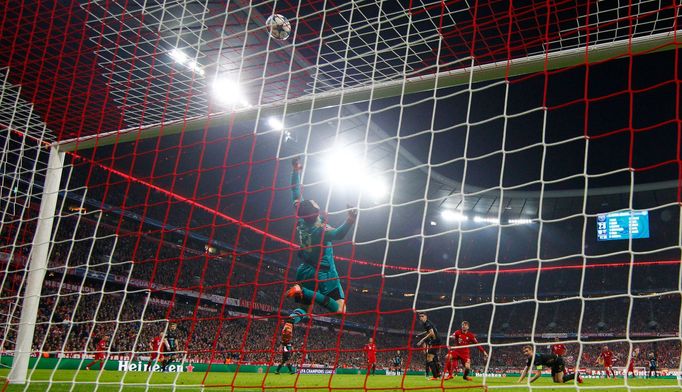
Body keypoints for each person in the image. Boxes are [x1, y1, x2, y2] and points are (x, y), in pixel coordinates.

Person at [286, 158, 357, 323]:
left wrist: (295, 171)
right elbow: (339, 234)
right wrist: (350, 220)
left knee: (303, 309)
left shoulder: (301, 219)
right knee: (341, 309)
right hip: (324, 273)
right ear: (315, 212)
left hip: (304, 270)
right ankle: (303, 291)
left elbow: (295, 191)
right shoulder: (320, 230)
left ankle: (290, 322)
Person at [416, 312, 442, 380]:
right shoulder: (427, 323)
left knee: (429, 358)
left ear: (426, 317)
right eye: (420, 316)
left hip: (435, 341)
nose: (421, 318)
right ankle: (438, 374)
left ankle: (435, 376)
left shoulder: (427, 324)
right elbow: (428, 331)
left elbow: (431, 333)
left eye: (422, 316)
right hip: (436, 340)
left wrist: (422, 340)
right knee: (433, 358)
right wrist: (421, 334)